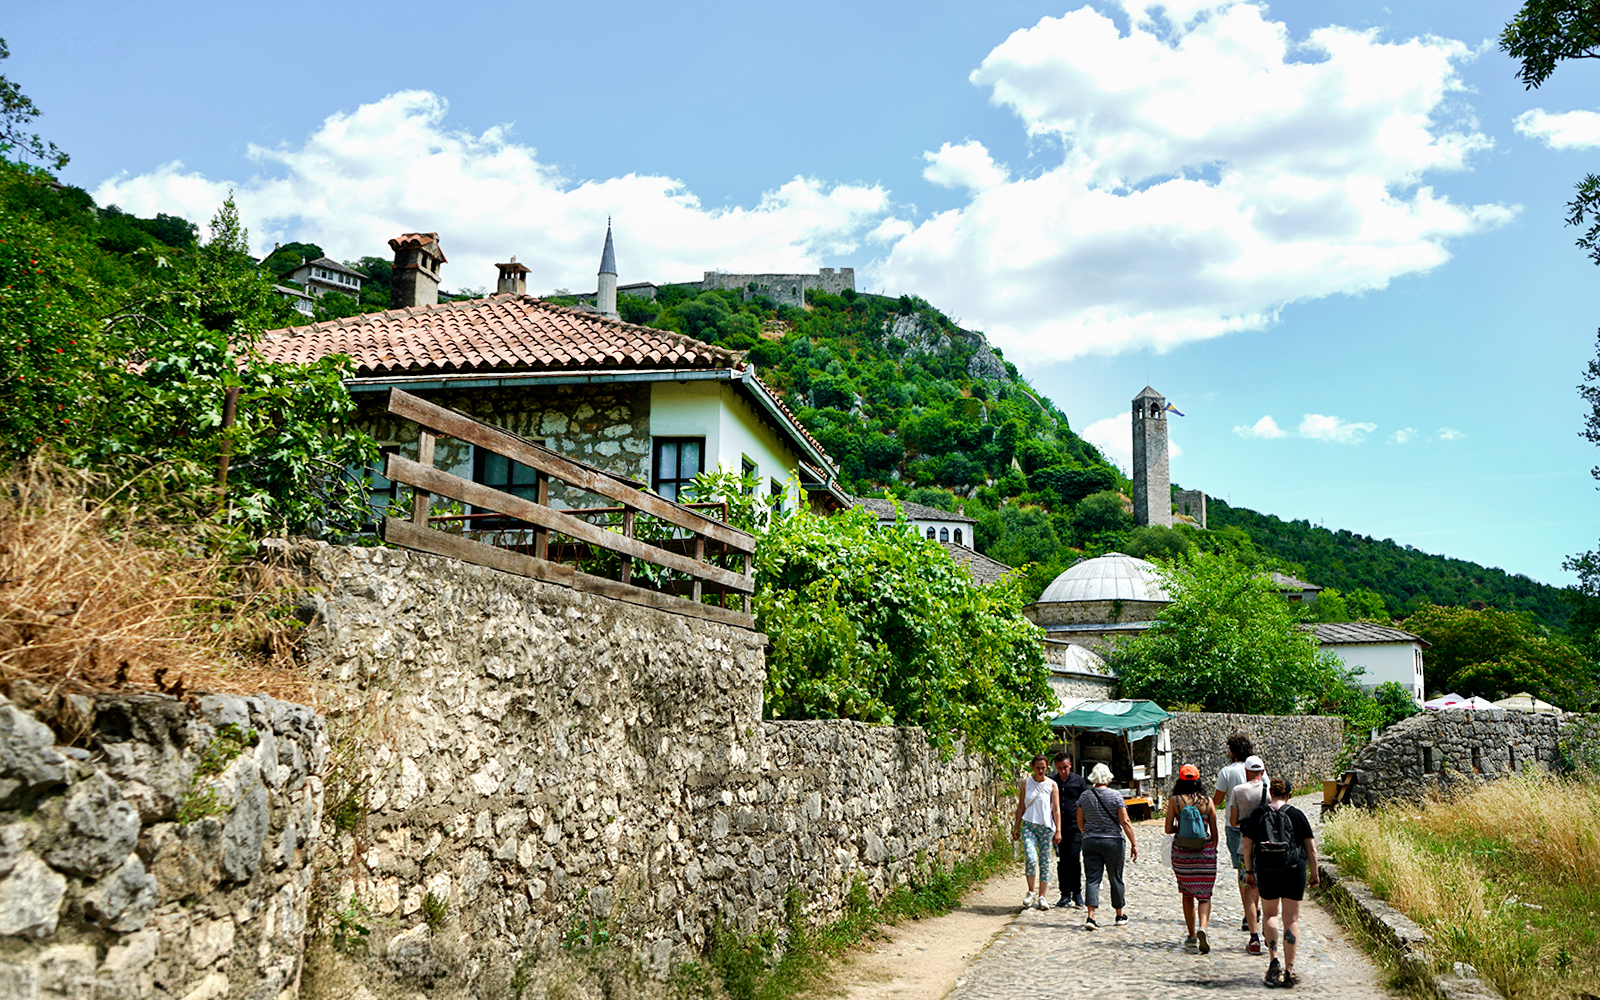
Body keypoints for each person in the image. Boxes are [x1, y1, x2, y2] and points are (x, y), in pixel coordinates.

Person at [1241, 777, 1319, 988]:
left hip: (1267, 870)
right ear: (1289, 794)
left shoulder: (1258, 814)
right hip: (1294, 869)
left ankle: (1273, 961)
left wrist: (1249, 871)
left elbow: (1247, 846)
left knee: (1269, 914)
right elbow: (1310, 848)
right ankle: (1290, 970)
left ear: (1270, 795)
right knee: (1291, 920)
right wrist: (1315, 873)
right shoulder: (1296, 814)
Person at [1164, 763, 1219, 954]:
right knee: (1204, 895)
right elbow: (1214, 831)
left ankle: (1192, 936)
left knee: (1187, 893)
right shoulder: (1208, 802)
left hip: (1182, 855)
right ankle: (1203, 927)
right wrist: (1213, 851)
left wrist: (1183, 829)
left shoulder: (1175, 801)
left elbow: (1168, 829)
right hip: (1204, 855)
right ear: (1198, 780)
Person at [1077, 762, 1138, 931]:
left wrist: (1088, 834)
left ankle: (1091, 916)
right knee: (1115, 877)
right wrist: (1133, 843)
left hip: (1090, 841)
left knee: (1092, 878)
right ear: (1108, 777)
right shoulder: (1116, 796)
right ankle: (1119, 914)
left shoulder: (1084, 797)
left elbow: (1080, 821)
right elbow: (1125, 821)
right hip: (1113, 842)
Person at [1224, 751, 1271, 953]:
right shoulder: (1269, 792)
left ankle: (1253, 938)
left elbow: (1233, 821)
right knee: (1267, 893)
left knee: (1249, 893)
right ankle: (1269, 935)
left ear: (1246, 771)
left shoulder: (1238, 791)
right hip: (1268, 848)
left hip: (1246, 847)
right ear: (1262, 771)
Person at [1011, 753, 1062, 911]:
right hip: (1029, 825)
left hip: (1046, 827)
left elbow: (1056, 809)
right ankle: (1031, 891)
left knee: (1045, 861)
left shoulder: (1052, 785)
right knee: (1031, 858)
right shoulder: (1026, 783)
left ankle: (1042, 896)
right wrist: (1016, 826)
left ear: (1047, 768)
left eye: (1043, 768)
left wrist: (1058, 830)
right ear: (1032, 767)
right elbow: (1021, 806)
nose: (1040, 771)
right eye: (1038, 768)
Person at [1051, 752, 1089, 908]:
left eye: (1065, 767)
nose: (1063, 771)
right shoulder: (1052, 781)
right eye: (1059, 768)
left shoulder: (1079, 782)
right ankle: (1064, 893)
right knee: (1063, 860)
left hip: (1075, 826)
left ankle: (1077, 892)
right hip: (1058, 826)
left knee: (1074, 858)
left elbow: (1086, 802)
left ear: (1070, 765)